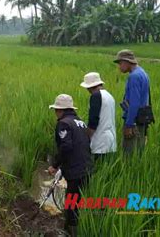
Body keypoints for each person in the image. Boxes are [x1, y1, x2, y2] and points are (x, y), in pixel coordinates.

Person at [47, 94, 93, 236]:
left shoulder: (64, 123)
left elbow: (66, 147)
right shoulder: (80, 122)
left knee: (71, 204)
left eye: (56, 110)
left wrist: (55, 165)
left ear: (60, 110)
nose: (55, 113)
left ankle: (71, 231)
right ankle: (71, 227)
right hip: (87, 168)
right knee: (77, 201)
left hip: (76, 170)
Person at [114, 49, 151, 155]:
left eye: (120, 63)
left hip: (134, 120)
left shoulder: (134, 77)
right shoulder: (143, 73)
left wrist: (129, 125)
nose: (119, 67)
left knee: (129, 153)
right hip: (142, 118)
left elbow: (134, 103)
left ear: (126, 62)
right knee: (139, 151)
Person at [80, 72, 117, 162]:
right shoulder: (109, 96)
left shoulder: (96, 96)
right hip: (110, 139)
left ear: (90, 87)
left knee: (98, 167)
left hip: (100, 140)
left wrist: (86, 137)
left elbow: (93, 120)